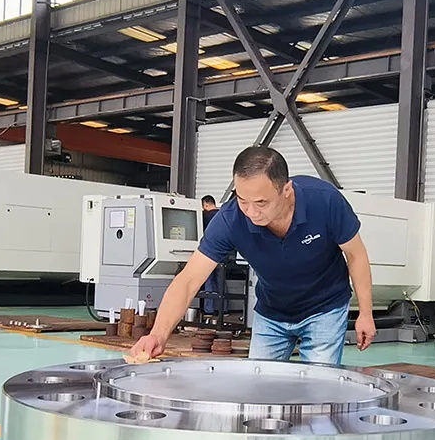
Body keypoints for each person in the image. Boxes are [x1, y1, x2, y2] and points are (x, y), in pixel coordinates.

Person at [129, 146, 376, 364]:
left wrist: (365, 313)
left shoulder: (324, 201)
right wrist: (158, 334)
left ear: (286, 190)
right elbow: (189, 279)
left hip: (325, 309)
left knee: (318, 387)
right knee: (258, 386)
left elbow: (356, 256)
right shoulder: (230, 220)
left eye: (261, 202)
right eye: (242, 200)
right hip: (272, 313)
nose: (251, 212)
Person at [200, 195, 221, 315]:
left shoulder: (205, 216)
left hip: (209, 252)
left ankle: (209, 310)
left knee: (208, 280)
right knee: (221, 280)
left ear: (206, 205)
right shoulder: (223, 215)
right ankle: (223, 309)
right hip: (224, 253)